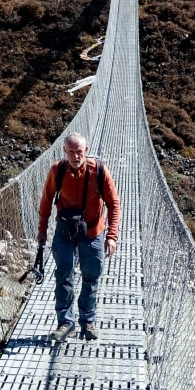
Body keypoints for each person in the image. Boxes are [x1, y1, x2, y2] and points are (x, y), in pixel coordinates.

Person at [37, 132, 120, 342]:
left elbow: (114, 204)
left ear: (87, 151)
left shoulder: (99, 171)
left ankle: (87, 321)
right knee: (64, 273)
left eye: (79, 152)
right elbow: (46, 201)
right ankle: (66, 323)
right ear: (65, 152)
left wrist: (112, 235)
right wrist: (42, 230)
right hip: (65, 230)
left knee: (91, 275)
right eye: (71, 152)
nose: (75, 156)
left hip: (92, 231)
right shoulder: (58, 170)